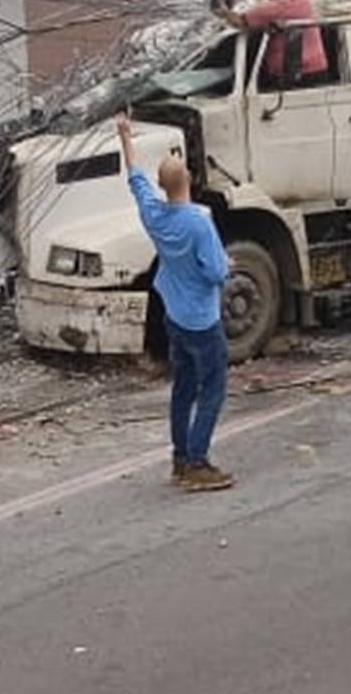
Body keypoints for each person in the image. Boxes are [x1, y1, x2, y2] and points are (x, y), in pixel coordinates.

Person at [117, 113, 235, 492]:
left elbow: (135, 179)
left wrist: (125, 138)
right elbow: (216, 273)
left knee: (183, 388)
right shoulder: (200, 223)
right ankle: (198, 462)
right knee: (213, 388)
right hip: (202, 320)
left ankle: (180, 459)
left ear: (163, 186)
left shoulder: (155, 215)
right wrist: (228, 265)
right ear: (187, 180)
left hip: (174, 318)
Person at [219, 0, 328, 85]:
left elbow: (239, 21)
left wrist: (223, 10)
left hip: (293, 74)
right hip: (318, 68)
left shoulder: (272, 10)